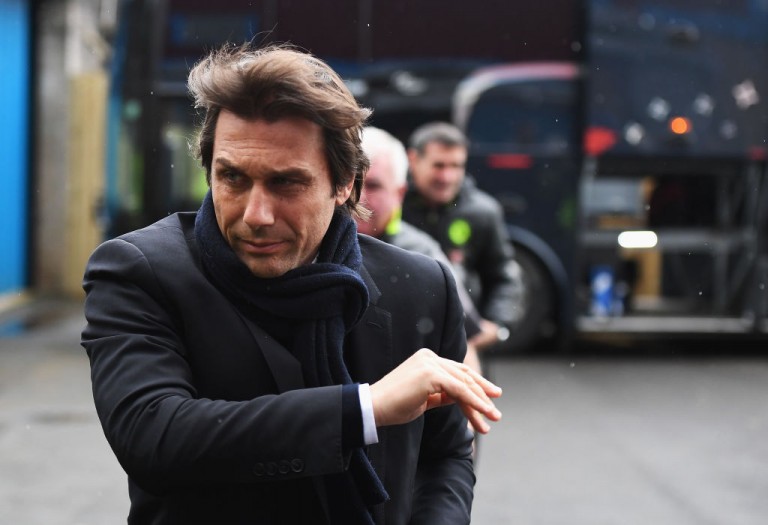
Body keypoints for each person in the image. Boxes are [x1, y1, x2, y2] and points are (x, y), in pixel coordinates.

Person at [81, 43, 501, 525]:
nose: (256, 214)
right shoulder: (139, 271)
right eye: (233, 178)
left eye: (286, 183)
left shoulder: (422, 286)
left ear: (345, 184)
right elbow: (155, 437)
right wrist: (365, 409)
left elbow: (444, 456)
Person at [356, 125, 483, 374]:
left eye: (373, 185)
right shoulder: (310, 247)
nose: (357, 197)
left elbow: (465, 345)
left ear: (399, 193)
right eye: (348, 183)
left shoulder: (423, 254)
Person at [402, 121, 524, 350]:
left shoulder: (483, 212)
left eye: (456, 166)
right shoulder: (391, 203)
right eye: (438, 165)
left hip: (460, 342)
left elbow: (504, 275)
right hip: (403, 338)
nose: (447, 176)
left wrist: (498, 325)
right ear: (413, 160)